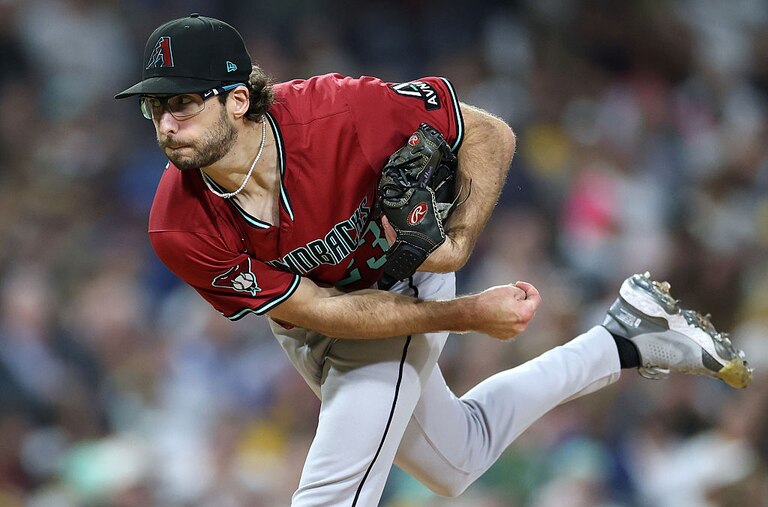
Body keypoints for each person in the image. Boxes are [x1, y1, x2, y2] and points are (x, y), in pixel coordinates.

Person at [115, 14, 752, 506]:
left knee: (332, 488)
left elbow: (488, 133)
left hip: (408, 266)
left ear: (237, 99)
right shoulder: (178, 225)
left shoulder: (339, 111)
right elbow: (321, 311)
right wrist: (471, 314)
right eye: (156, 106)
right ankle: (624, 339)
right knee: (457, 460)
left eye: (183, 102)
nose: (167, 123)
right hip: (326, 315)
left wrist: (463, 243)